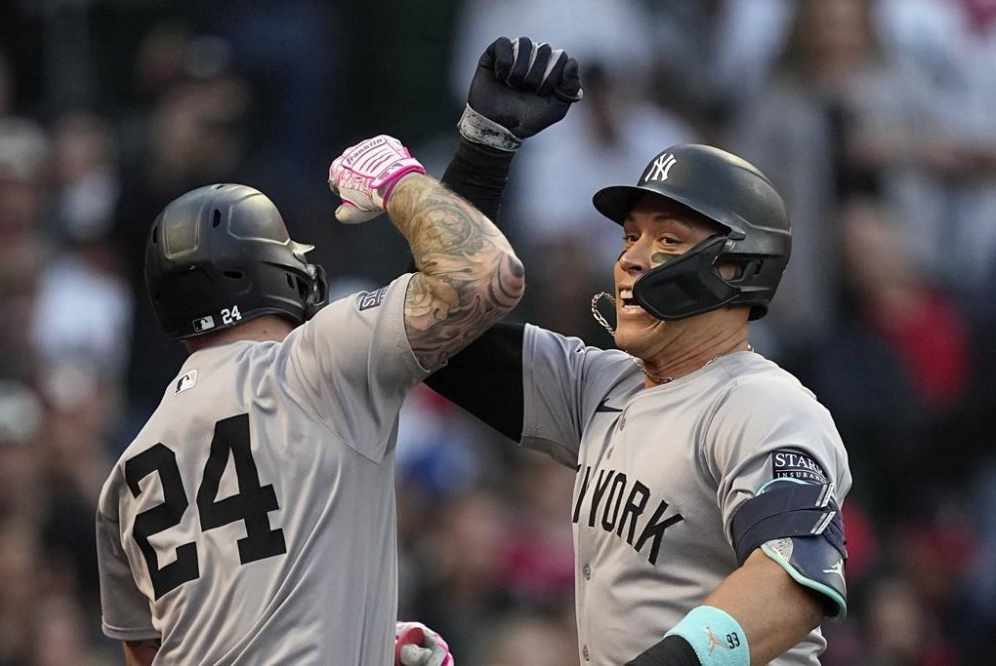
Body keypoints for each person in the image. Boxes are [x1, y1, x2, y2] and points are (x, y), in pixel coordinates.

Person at [417, 36, 853, 665]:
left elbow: (792, 581)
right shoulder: (603, 385)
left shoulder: (766, 406)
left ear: (738, 268)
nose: (631, 259)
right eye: (629, 237)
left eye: (668, 240)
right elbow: (441, 335)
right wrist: (484, 151)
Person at [93, 127, 530, 660]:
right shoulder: (316, 361)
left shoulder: (126, 473)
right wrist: (399, 183)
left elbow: (150, 652)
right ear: (276, 272)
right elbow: (487, 274)